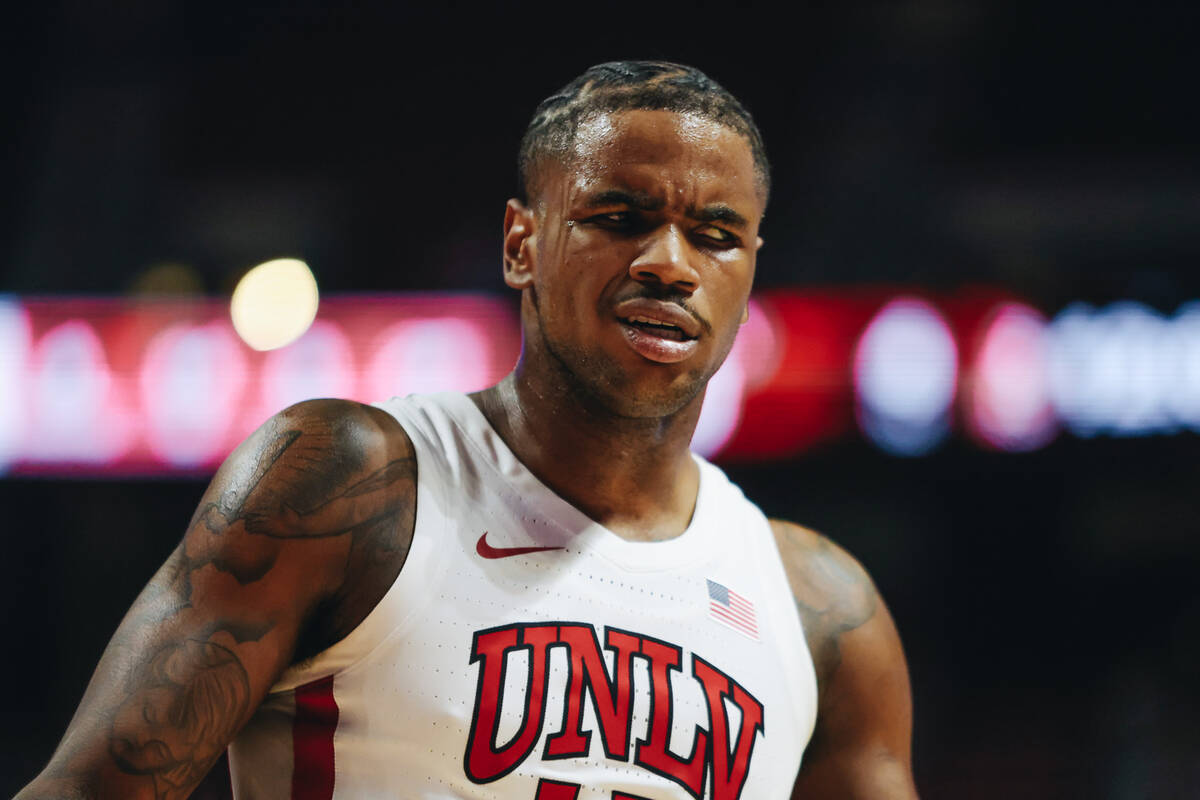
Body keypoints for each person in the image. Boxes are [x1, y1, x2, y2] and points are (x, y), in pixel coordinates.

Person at [17, 61, 917, 799]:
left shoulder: (825, 616)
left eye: (716, 234)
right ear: (521, 245)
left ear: (750, 271)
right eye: (620, 219)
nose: (670, 263)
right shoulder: (347, 484)